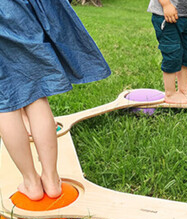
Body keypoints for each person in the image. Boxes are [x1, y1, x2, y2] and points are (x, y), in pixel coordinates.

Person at [0, 0, 111, 201]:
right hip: (17, 10)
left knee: (5, 103)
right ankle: (51, 179)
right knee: (36, 92)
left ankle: (31, 182)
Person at [148, 0, 187, 104]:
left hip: (186, 15)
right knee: (173, 53)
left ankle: (183, 88)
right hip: (166, 14)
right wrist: (166, 4)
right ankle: (170, 93)